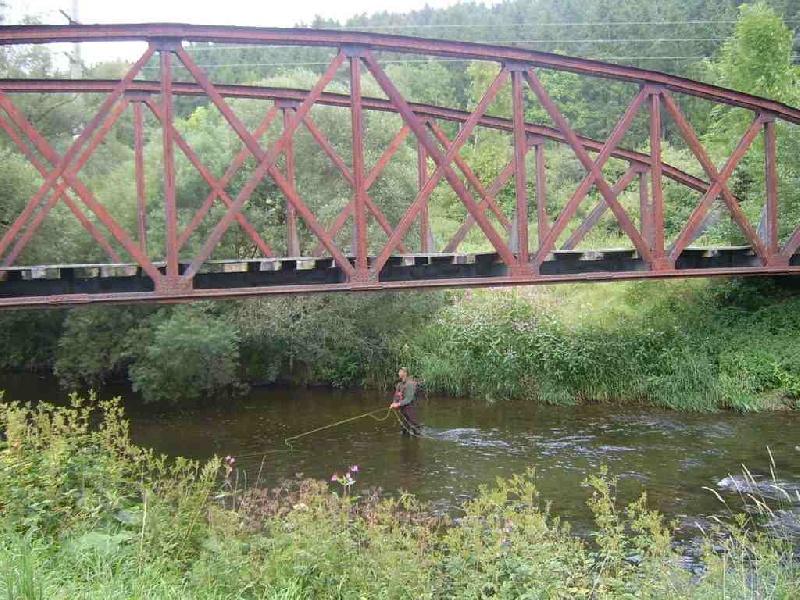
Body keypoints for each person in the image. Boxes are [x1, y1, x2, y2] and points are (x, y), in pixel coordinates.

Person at [389, 366, 420, 436]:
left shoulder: (410, 384)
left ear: (405, 373)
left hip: (411, 411)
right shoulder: (399, 385)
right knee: (404, 431)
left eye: (400, 371)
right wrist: (393, 403)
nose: (398, 373)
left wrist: (398, 404)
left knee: (416, 433)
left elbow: (408, 399)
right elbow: (396, 396)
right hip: (403, 412)